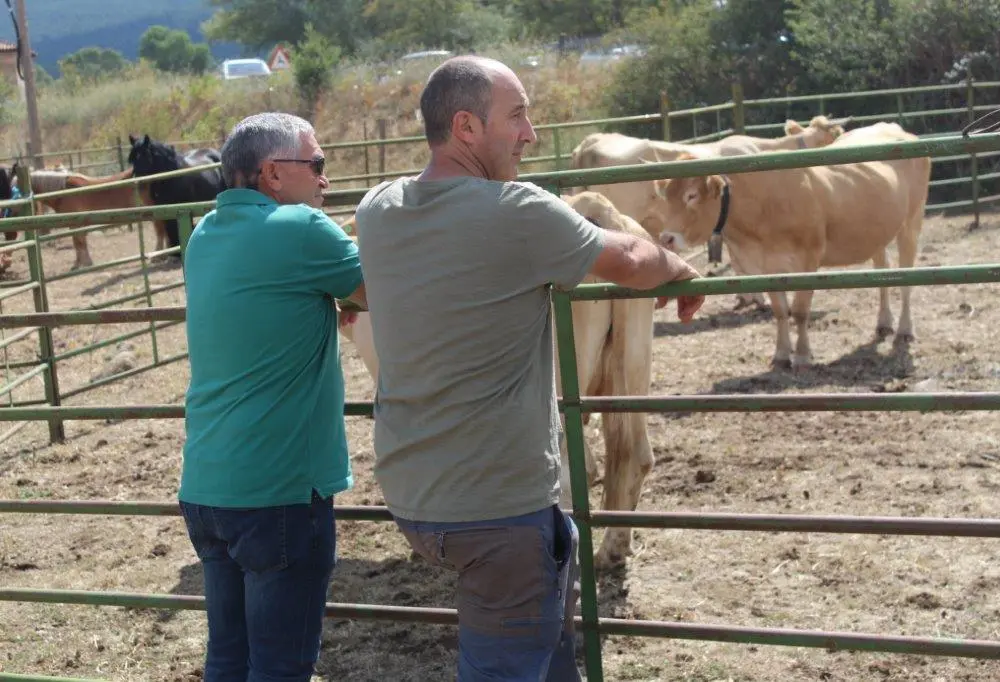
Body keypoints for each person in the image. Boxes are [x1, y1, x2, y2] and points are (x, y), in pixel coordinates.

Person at [354, 56, 704, 681]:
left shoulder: (379, 208)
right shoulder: (516, 210)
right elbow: (628, 258)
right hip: (497, 513)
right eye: (516, 116)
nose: (531, 134)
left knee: (547, 657)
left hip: (415, 499)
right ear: (465, 126)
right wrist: (678, 267)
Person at [177, 112, 366, 682]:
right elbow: (381, 291)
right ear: (273, 174)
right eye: (317, 164)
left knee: (228, 659)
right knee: (282, 667)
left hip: (208, 486)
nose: (325, 180)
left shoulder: (204, 234)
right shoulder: (301, 229)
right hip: (278, 490)